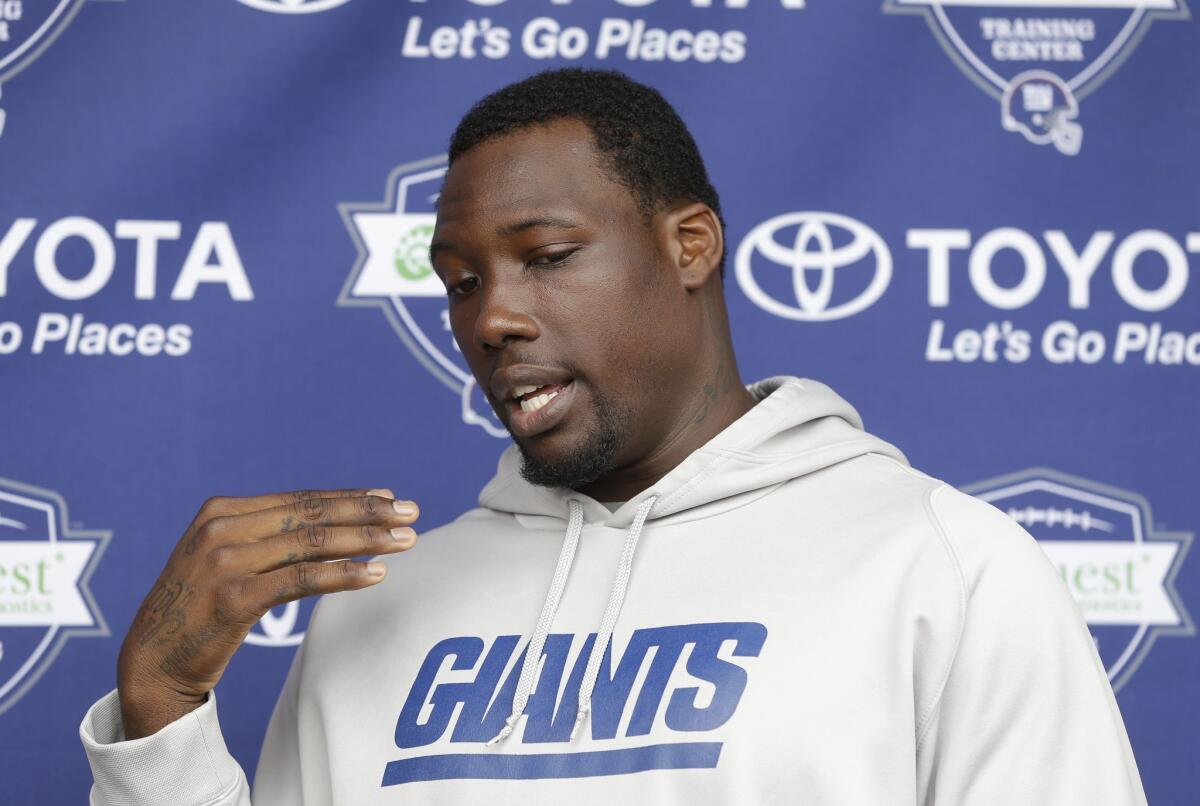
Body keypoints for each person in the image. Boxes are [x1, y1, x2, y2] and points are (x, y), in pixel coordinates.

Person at [80, 68, 1148, 805]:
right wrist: (160, 710)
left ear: (690, 244)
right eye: (460, 281)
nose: (490, 316)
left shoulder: (942, 566)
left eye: (544, 255)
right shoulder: (383, 601)